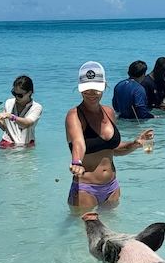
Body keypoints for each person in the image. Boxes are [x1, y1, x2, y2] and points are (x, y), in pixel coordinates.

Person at [65, 61, 153, 209]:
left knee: (113, 227)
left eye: (96, 89)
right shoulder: (74, 115)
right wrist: (76, 162)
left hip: (112, 186)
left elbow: (113, 149)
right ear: (80, 89)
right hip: (86, 189)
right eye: (87, 90)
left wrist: (135, 143)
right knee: (80, 232)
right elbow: (78, 143)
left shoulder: (109, 112)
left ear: (105, 86)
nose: (91, 93)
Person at [0, 75, 42, 148]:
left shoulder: (36, 107)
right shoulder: (9, 103)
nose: (16, 97)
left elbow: (27, 123)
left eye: (20, 95)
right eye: (14, 93)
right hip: (7, 142)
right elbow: (5, 128)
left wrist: (10, 116)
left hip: (25, 144)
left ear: (29, 93)